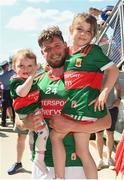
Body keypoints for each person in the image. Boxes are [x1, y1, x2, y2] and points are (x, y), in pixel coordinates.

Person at [16, 26, 113, 179]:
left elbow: (106, 121)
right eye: (47, 49)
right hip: (44, 165)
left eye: (57, 46)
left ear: (65, 45)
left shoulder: (85, 78)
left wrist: (73, 126)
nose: (53, 52)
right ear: (42, 53)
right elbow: (18, 120)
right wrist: (28, 123)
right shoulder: (36, 81)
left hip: (77, 165)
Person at [49, 13, 119, 179]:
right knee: (82, 151)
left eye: (89, 32)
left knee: (55, 135)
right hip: (73, 106)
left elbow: (113, 70)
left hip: (84, 107)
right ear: (71, 29)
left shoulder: (93, 51)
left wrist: (104, 93)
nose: (84, 34)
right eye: (80, 29)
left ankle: (59, 177)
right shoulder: (67, 52)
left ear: (93, 35)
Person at [9, 49, 49, 176]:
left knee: (37, 134)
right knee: (25, 136)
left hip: (33, 111)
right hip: (24, 113)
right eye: (21, 66)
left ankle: (36, 157)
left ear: (35, 66)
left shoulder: (35, 78)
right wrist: (31, 76)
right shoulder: (16, 80)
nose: (25, 69)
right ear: (14, 67)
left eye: (30, 66)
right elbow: (22, 92)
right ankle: (23, 161)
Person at [96, 78, 121, 170]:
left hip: (112, 108)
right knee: (98, 134)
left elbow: (118, 88)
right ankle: (100, 159)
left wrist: (118, 98)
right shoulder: (96, 71)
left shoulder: (112, 72)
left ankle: (109, 158)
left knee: (110, 133)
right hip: (98, 107)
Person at [0, 60, 15, 127]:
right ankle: (14, 122)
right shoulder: (11, 72)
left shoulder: (0, 75)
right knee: (13, 107)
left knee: (4, 108)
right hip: (11, 91)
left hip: (4, 92)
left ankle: (3, 122)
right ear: (6, 66)